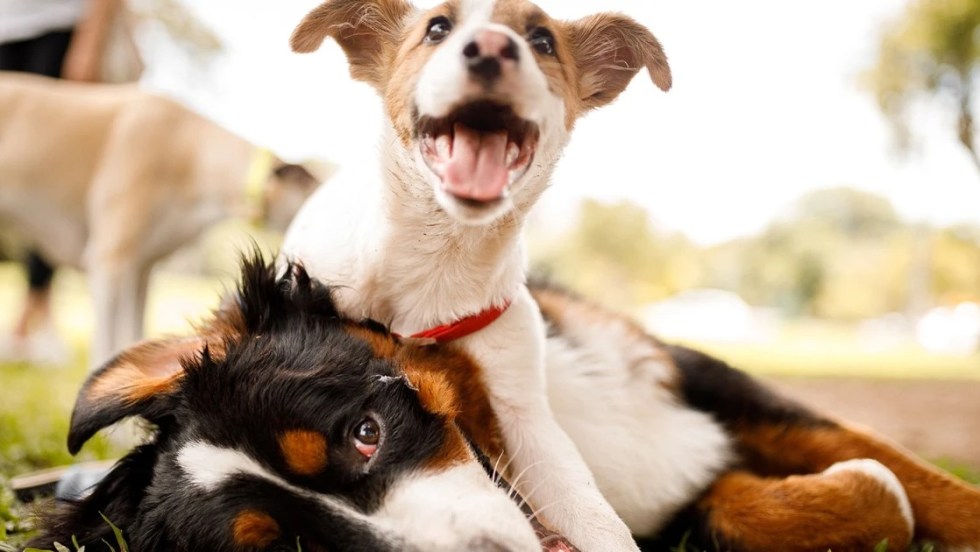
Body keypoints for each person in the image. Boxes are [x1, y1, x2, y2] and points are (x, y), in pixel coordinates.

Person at [0, 0, 128, 363]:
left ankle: (32, 317)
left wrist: (90, 40)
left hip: (58, 28)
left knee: (47, 180)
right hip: (5, 27)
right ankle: (32, 321)